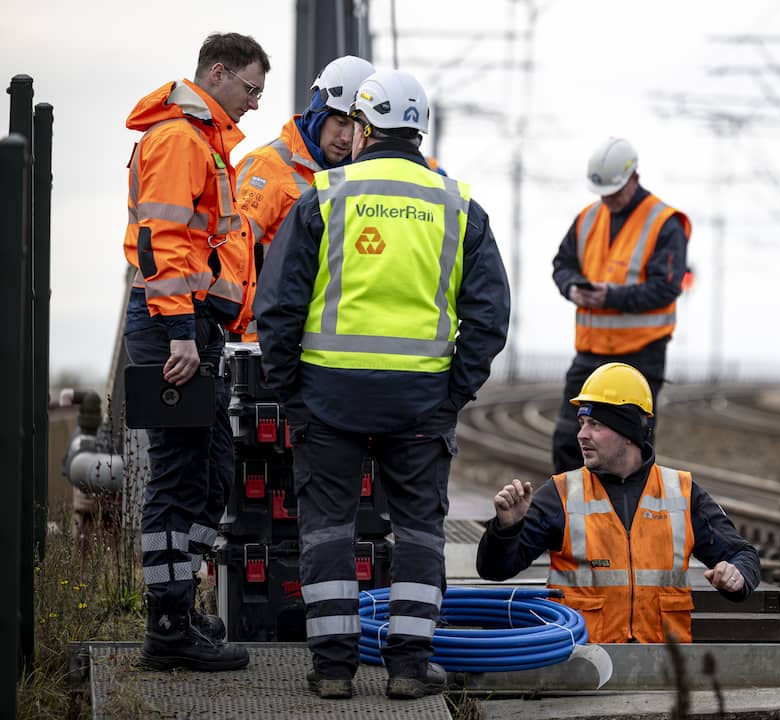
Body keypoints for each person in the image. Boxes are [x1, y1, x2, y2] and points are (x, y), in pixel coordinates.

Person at [255, 69, 510, 700]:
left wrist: (292, 391)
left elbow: (277, 306)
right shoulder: (457, 206)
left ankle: (334, 671)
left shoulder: (324, 196)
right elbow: (489, 316)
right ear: (420, 131)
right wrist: (454, 392)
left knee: (326, 531)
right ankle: (407, 669)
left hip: (330, 396)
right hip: (421, 402)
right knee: (420, 531)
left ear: (364, 128)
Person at [122, 32, 268, 672]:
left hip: (192, 327)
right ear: (218, 71)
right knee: (179, 476)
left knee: (210, 472)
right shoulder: (181, 140)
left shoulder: (203, 143)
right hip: (169, 327)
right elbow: (162, 239)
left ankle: (183, 604)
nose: (255, 105)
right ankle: (168, 626)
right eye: (250, 88)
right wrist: (181, 329)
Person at [476, 362, 760, 643]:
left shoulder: (681, 493)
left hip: (664, 669)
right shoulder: (560, 494)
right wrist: (506, 528)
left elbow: (743, 555)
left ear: (628, 433)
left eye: (595, 425)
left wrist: (736, 577)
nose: (581, 435)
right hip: (582, 665)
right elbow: (494, 570)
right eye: (582, 423)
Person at [549, 137, 690, 473]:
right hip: (591, 353)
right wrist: (572, 288)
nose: (609, 200)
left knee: (631, 446)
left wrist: (609, 298)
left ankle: (628, 518)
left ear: (634, 179)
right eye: (603, 193)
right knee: (570, 438)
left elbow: (666, 287)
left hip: (641, 353)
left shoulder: (663, 222)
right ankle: (570, 516)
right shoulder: (587, 219)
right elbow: (562, 264)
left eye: (615, 192)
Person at [235, 55, 374, 278]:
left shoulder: (355, 179)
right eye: (340, 122)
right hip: (266, 310)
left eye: (356, 126)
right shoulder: (266, 166)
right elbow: (233, 251)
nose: (346, 138)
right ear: (319, 115)